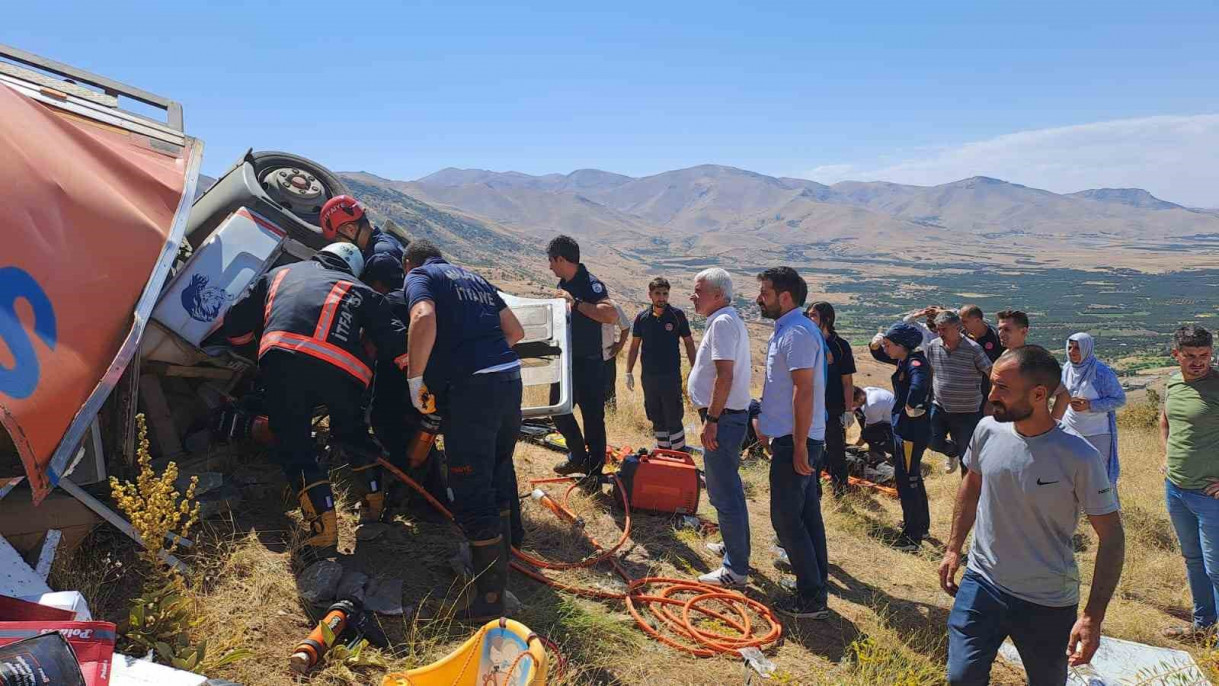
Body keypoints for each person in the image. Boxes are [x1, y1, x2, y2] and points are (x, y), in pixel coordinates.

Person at [939, 345, 1124, 685]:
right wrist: (953, 548)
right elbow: (971, 484)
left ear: (1039, 394)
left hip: (1047, 601)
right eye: (992, 384)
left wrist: (1092, 617)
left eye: (1002, 389)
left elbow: (1112, 538)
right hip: (982, 583)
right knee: (961, 678)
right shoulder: (987, 430)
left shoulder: (1078, 455)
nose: (991, 395)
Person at [222, 242, 407, 562]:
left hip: (285, 361)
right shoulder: (362, 290)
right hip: (347, 373)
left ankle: (323, 535)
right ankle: (374, 505)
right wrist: (417, 380)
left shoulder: (278, 275)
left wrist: (253, 355)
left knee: (296, 446)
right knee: (353, 435)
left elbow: (236, 325)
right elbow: (395, 339)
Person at [403, 240, 526, 620]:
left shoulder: (420, 276)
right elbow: (515, 331)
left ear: (408, 263)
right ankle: (501, 571)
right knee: (498, 472)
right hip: (509, 379)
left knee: (471, 488)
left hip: (474, 393)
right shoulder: (475, 278)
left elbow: (423, 318)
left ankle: (489, 601)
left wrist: (416, 380)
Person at [755, 266, 830, 618]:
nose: (759, 299)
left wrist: (799, 445)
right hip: (793, 437)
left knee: (786, 519)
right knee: (806, 516)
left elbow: (803, 390)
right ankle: (815, 586)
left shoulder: (797, 332)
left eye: (765, 292)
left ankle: (811, 597)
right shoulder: (791, 328)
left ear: (785, 297)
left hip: (796, 441)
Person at [686, 268, 753, 588]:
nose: (692, 296)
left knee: (724, 493)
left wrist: (711, 421)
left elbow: (725, 376)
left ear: (717, 295)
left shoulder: (724, 323)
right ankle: (733, 546)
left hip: (723, 419)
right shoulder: (724, 320)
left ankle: (735, 570)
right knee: (727, 490)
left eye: (698, 291)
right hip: (723, 417)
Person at [1159, 325, 1219, 639]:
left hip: (1211, 496)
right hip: (1177, 490)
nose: (1198, 362)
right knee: (1193, 560)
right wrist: (1167, 458)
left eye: (1204, 355)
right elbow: (1166, 420)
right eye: (1191, 356)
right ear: (1176, 355)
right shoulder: (1173, 382)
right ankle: (1204, 627)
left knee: (1217, 569)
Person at [546, 236, 620, 483]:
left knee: (592, 417)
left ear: (561, 259)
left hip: (588, 362)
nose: (549, 267)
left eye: (551, 261)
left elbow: (609, 315)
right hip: (566, 361)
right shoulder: (564, 282)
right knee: (557, 408)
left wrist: (575, 304)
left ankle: (595, 471)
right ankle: (577, 454)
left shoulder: (591, 284)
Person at [869, 323, 932, 551]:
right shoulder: (904, 359)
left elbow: (919, 386)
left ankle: (912, 538)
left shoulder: (915, 363)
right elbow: (880, 354)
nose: (885, 348)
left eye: (888, 344)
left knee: (908, 481)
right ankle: (919, 525)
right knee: (911, 476)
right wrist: (874, 345)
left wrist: (911, 407)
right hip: (906, 429)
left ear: (901, 346)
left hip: (910, 432)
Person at [626, 278, 697, 450]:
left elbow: (688, 343)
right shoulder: (642, 318)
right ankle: (664, 451)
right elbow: (634, 346)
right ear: (650, 295)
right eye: (657, 294)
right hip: (649, 377)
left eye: (665, 294)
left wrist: (695, 369)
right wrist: (628, 371)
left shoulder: (677, 316)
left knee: (673, 415)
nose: (662, 298)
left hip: (670, 375)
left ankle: (679, 452)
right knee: (655, 415)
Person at [925, 310, 992, 474]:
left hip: (967, 412)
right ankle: (951, 451)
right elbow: (931, 371)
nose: (940, 333)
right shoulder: (934, 346)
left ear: (958, 328)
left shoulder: (973, 349)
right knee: (930, 440)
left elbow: (991, 373)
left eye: (944, 329)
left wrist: (991, 400)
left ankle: (968, 494)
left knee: (967, 457)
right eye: (938, 329)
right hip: (939, 406)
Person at [1060, 333, 1126, 486]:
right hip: (1070, 433)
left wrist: (1090, 405)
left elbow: (1119, 399)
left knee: (1099, 480)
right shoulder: (1067, 368)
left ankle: (1106, 509)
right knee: (1071, 478)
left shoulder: (1101, 372)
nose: (1072, 351)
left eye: (1077, 348)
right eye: (1070, 347)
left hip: (1097, 434)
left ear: (1087, 349)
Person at [806, 302, 856, 497]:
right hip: (809, 405)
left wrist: (849, 409)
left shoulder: (840, 346)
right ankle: (813, 489)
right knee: (811, 449)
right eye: (808, 315)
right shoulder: (807, 341)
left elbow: (847, 381)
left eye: (813, 315)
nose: (809, 319)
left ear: (826, 319)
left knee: (836, 450)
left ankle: (840, 491)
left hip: (833, 407)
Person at [319, 195, 406, 292]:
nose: (338, 245)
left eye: (338, 239)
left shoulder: (379, 259)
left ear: (350, 230)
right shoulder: (382, 242)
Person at [997, 308, 1072, 414]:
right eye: (999, 329)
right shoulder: (1004, 356)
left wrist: (1053, 423)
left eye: (1007, 329)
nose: (1001, 333)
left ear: (1023, 331)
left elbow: (1063, 393)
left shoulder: (1035, 360)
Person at [852, 386, 896, 459]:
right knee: (858, 411)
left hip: (895, 427)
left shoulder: (872, 405)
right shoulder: (865, 391)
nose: (851, 407)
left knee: (868, 434)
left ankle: (895, 453)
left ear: (859, 399)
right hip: (885, 419)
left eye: (852, 404)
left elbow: (868, 431)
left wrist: (855, 448)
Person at [602, 301, 631, 409]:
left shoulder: (611, 305)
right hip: (583, 357)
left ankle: (611, 419)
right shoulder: (580, 304)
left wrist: (619, 346)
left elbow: (625, 326)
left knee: (609, 392)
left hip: (606, 357)